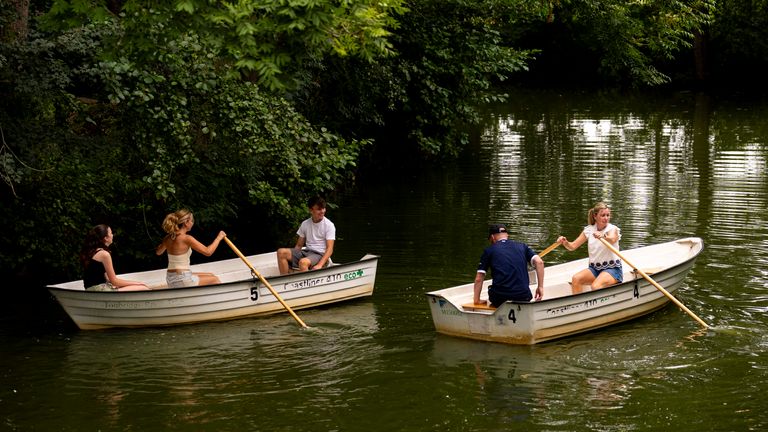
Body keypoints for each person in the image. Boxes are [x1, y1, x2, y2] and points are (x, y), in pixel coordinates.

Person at [556, 201, 623, 293]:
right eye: (603, 215)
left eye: (608, 215)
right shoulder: (589, 230)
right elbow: (572, 246)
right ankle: (578, 305)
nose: (606, 218)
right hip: (595, 269)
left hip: (612, 269)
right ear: (595, 216)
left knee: (595, 286)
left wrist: (603, 236)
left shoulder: (612, 229)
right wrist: (565, 242)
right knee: (576, 279)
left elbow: (613, 239)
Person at [473, 224, 544, 307]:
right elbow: (539, 262)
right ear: (507, 235)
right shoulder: (522, 246)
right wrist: (540, 287)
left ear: (492, 237)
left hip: (499, 299)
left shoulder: (489, 251)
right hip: (523, 297)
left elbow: (479, 278)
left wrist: (476, 300)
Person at [155, 209, 227, 288]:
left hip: (170, 278)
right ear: (186, 222)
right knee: (214, 279)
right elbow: (208, 252)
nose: (192, 223)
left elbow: (158, 252)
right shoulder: (187, 238)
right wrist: (219, 238)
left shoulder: (167, 238)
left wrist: (166, 243)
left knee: (210, 275)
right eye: (192, 221)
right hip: (182, 279)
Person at [276, 196, 336, 275]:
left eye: (323, 208)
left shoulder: (329, 225)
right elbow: (299, 245)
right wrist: (292, 260)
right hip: (307, 252)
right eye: (319, 209)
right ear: (311, 210)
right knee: (281, 252)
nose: (322, 211)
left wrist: (320, 265)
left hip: (320, 255)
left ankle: (306, 285)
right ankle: (284, 282)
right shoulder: (305, 224)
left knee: (303, 262)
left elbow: (330, 249)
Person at [80, 224, 149, 291]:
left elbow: (108, 279)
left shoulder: (93, 252)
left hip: (91, 290)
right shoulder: (104, 254)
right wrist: (137, 283)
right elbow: (114, 281)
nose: (112, 235)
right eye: (111, 233)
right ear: (106, 238)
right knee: (143, 288)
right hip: (100, 291)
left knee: (137, 286)